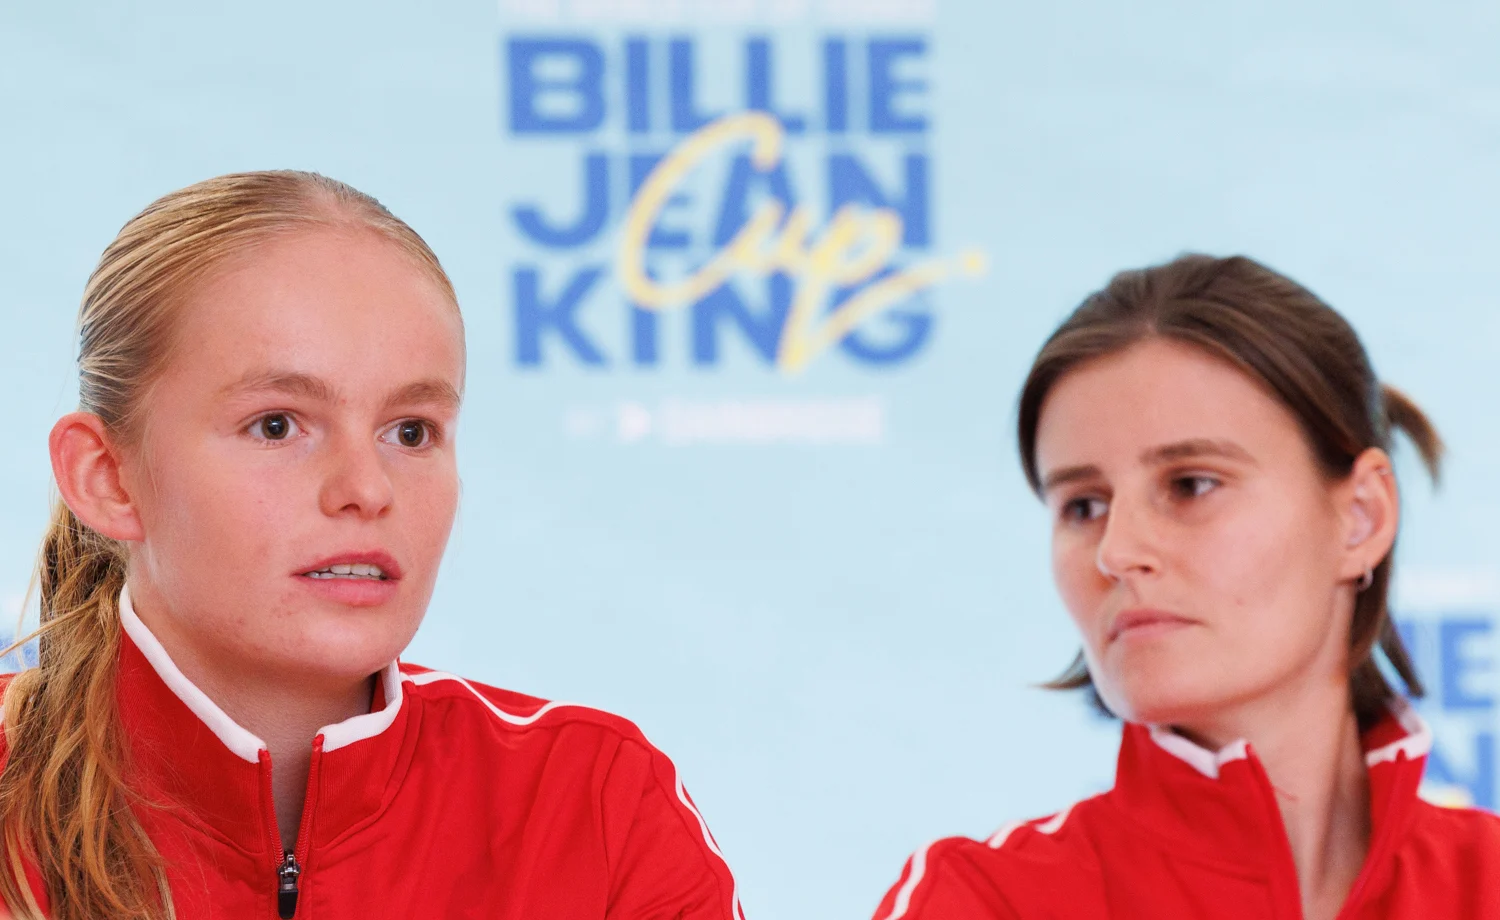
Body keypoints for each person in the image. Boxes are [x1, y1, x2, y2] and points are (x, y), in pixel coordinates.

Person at [0, 171, 743, 920]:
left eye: (410, 431)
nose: (367, 487)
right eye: (277, 425)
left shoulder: (596, 807)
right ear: (106, 478)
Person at [872, 255, 1500, 920]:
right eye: (1083, 506)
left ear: (1361, 517)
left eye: (1191, 484)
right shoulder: (983, 901)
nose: (1116, 552)